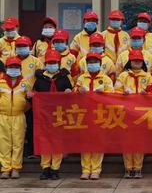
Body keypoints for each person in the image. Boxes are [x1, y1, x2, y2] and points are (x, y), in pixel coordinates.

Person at [33, 49, 73, 180]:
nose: (52, 65)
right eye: (49, 62)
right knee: (45, 142)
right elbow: (34, 95)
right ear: (45, 63)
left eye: (54, 62)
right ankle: (45, 168)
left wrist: (69, 91)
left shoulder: (63, 77)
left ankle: (55, 168)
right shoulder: (39, 79)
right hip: (44, 116)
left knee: (57, 142)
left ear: (58, 63)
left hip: (59, 115)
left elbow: (71, 95)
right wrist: (31, 95)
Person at [114, 49, 152, 179]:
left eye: (139, 61)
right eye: (134, 61)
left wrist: (146, 94)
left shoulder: (147, 76)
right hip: (126, 113)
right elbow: (115, 92)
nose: (136, 63)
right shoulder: (122, 76)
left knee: (139, 142)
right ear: (129, 62)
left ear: (142, 62)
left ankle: (138, 168)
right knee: (127, 142)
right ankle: (127, 168)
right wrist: (122, 94)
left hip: (142, 113)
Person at [75, 51, 114, 180]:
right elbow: (74, 93)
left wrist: (104, 93)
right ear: (86, 64)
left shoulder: (106, 79)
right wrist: (78, 91)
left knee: (97, 142)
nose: (92, 65)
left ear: (100, 64)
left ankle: (96, 169)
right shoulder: (81, 78)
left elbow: (114, 96)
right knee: (85, 142)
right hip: (84, 114)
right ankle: (86, 169)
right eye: (90, 62)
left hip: (100, 114)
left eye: (95, 62)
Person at [0, 56, 31, 179]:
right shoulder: (1, 82)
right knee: (4, 143)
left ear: (20, 68)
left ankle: (16, 168)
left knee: (18, 143)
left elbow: (29, 101)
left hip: (19, 117)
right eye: (11, 67)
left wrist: (27, 99)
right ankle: (5, 168)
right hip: (3, 116)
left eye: (16, 67)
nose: (14, 69)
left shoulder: (25, 83)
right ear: (6, 68)